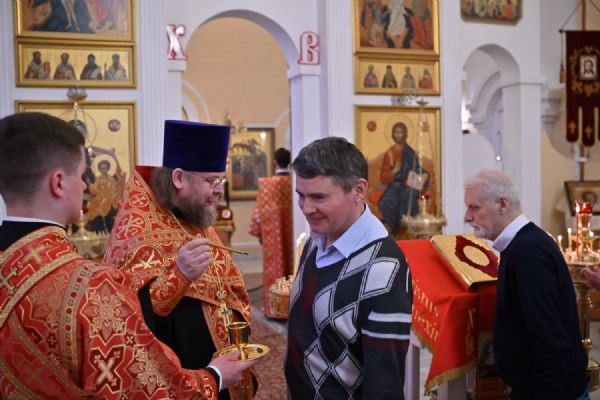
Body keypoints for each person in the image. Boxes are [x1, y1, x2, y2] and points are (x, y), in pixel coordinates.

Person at [0, 112, 257, 398]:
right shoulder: (91, 285)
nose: (86, 186)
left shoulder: (199, 221)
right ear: (58, 183)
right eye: (83, 176)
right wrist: (215, 377)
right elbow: (138, 384)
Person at [103, 120, 256, 400]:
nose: (219, 190)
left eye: (221, 180)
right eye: (211, 181)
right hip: (181, 376)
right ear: (178, 178)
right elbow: (124, 316)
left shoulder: (193, 213)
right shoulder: (137, 228)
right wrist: (180, 275)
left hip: (223, 369)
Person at [284, 137, 413, 399]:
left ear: (359, 190)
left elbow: (384, 386)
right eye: (301, 196)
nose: (306, 208)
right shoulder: (315, 241)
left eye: (318, 197)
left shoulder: (383, 268)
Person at [464, 169, 588, 400]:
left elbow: (548, 336)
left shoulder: (527, 252)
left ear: (503, 204)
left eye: (474, 207)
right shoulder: (522, 245)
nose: (467, 217)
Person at [248, 147, 293, 318]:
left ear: (275, 162)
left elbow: (258, 215)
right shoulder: (295, 183)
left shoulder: (267, 185)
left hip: (274, 238)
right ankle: (293, 308)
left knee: (277, 269)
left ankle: (277, 310)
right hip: (293, 236)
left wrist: (258, 232)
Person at [378, 121, 431, 236]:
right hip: (395, 185)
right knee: (384, 202)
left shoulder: (410, 152)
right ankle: (395, 229)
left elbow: (417, 169)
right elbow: (383, 177)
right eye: (396, 132)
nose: (398, 135)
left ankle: (406, 228)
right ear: (393, 134)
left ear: (405, 134)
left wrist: (424, 174)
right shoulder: (389, 153)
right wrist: (394, 171)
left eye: (401, 132)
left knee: (408, 195)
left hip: (407, 185)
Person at [86, 155, 125, 233]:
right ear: (99, 169)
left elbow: (116, 190)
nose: (103, 170)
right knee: (91, 206)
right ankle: (98, 230)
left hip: (109, 200)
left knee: (106, 207)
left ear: (108, 169)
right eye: (102, 168)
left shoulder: (112, 180)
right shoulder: (98, 179)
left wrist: (112, 195)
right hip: (100, 199)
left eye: (105, 168)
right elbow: (94, 190)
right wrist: (89, 184)